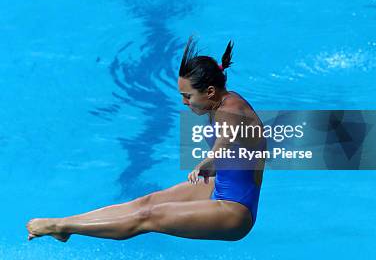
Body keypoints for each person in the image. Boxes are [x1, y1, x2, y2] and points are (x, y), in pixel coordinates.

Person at [26, 38, 265, 243]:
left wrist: (207, 162)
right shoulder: (218, 103)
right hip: (217, 186)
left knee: (148, 217)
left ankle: (62, 228)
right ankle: (64, 224)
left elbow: (226, 138)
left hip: (235, 211)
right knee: (146, 202)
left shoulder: (231, 110)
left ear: (210, 91)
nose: (184, 102)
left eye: (188, 96)